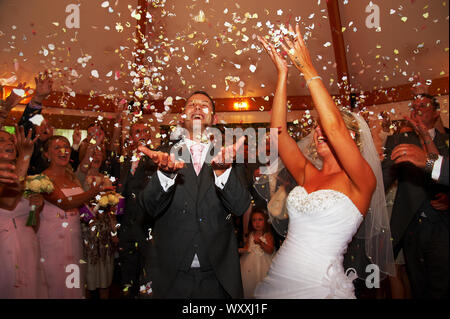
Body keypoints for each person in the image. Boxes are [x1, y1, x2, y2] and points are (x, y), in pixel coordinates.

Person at [254, 25, 377, 299]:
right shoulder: (308, 174)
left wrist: (308, 69)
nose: (319, 132)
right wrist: (283, 75)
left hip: (318, 288)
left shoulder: (362, 180)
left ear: (351, 138)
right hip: (278, 279)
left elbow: (335, 129)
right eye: (316, 128)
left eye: (324, 127)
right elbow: (278, 134)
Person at [137, 91, 252, 298]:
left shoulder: (228, 155)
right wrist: (165, 175)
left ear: (214, 119)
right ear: (183, 117)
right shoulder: (162, 155)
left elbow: (240, 206)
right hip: (169, 272)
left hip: (217, 273)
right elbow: (148, 207)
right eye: (192, 104)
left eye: (204, 105)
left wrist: (223, 171)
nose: (198, 108)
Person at [382, 93, 449, 298]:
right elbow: (384, 176)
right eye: (415, 105)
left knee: (442, 284)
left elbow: (443, 171)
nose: (418, 109)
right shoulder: (398, 140)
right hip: (410, 225)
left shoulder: (447, 138)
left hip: (441, 225)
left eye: (424, 105)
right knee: (417, 284)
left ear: (437, 113)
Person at [37, 135, 111, 298]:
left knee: (73, 282)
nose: (63, 151)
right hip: (52, 240)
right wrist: (92, 193)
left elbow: (80, 206)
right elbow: (64, 202)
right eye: (57, 148)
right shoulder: (43, 178)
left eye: (66, 147)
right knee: (55, 283)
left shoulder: (72, 177)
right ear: (47, 154)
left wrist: (96, 211)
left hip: (74, 237)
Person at [0, 127, 48, 298]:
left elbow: (32, 225)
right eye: (1, 140)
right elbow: (9, 202)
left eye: (10, 140)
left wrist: (36, 208)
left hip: (28, 244)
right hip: (5, 248)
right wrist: (26, 155)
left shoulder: (25, 176)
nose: (9, 143)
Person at [114, 120, 156, 298]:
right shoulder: (122, 162)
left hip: (148, 227)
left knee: (148, 277)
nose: (141, 135)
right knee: (127, 278)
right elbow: (118, 195)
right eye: (136, 131)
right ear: (131, 137)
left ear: (149, 136)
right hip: (125, 229)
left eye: (144, 131)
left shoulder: (155, 161)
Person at [75, 143, 118, 299]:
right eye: (93, 152)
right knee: (87, 277)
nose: (97, 156)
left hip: (104, 231)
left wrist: (114, 232)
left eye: (100, 153)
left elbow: (112, 209)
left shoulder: (106, 179)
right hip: (86, 231)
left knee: (105, 278)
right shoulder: (78, 177)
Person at [239, 210, 274, 299]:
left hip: (264, 262)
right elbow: (248, 248)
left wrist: (261, 243)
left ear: (265, 222)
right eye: (254, 220)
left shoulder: (267, 235)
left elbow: (270, 250)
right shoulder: (251, 234)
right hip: (250, 263)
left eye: (260, 220)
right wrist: (242, 250)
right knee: (250, 282)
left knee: (263, 281)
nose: (257, 223)